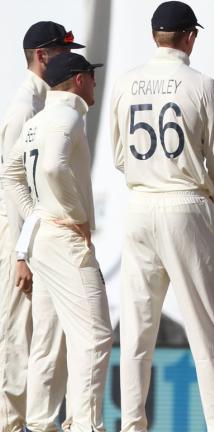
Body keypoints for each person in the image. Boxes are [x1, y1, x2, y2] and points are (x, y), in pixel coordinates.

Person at [109, 2, 214, 431]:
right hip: (187, 202)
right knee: (207, 329)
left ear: (154, 36)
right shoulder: (202, 83)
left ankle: (131, 424)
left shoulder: (126, 83)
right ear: (190, 37)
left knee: (136, 329)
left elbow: (117, 156)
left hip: (141, 203)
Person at [2, 51, 111, 432]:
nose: (96, 83)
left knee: (47, 339)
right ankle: (85, 425)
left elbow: (10, 174)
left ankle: (40, 424)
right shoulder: (69, 115)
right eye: (92, 77)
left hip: (43, 236)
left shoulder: (37, 120)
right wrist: (75, 213)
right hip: (64, 237)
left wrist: (36, 213)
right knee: (96, 337)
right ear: (79, 80)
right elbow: (52, 165)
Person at [0, 21, 81, 432]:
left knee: (48, 338)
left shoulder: (47, 102)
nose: (68, 61)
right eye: (61, 52)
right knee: (19, 339)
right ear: (42, 56)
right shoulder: (24, 109)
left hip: (36, 240)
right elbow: (11, 183)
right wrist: (21, 254)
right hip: (21, 242)